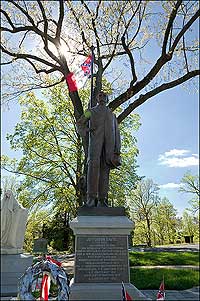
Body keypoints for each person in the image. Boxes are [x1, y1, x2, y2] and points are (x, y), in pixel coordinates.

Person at [77, 91, 121, 207]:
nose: (102, 98)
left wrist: (117, 150)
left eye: (104, 96)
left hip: (108, 148)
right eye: (100, 96)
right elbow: (80, 123)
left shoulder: (112, 115)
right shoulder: (90, 112)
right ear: (97, 99)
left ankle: (102, 199)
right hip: (95, 147)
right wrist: (87, 130)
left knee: (105, 172)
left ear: (107, 99)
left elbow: (117, 133)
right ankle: (91, 198)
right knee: (93, 170)